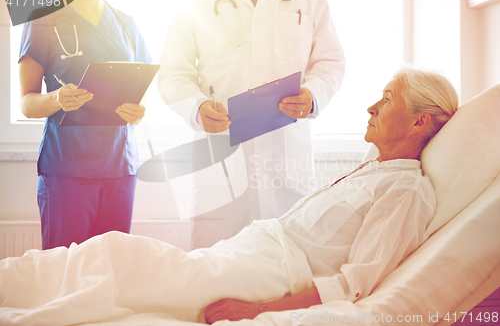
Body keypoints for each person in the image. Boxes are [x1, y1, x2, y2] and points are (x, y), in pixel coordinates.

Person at [0, 68, 458, 326]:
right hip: (251, 249)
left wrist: (259, 311)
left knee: (118, 254)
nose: (371, 107)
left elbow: (356, 282)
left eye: (387, 99)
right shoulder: (372, 169)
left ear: (420, 122)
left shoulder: (406, 189)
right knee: (116, 257)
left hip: (270, 273)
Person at [157, 0, 346, 249]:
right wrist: (197, 107)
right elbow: (173, 72)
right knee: (214, 270)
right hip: (221, 161)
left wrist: (313, 94)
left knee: (287, 268)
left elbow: (330, 60)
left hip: (286, 158)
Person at [18, 0, 152, 249]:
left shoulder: (126, 23)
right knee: (65, 272)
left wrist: (138, 111)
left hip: (120, 168)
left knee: (112, 269)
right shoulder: (42, 17)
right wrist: (57, 98)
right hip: (67, 169)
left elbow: (141, 88)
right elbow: (26, 103)